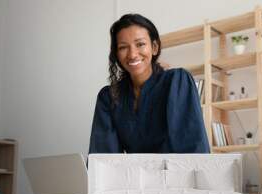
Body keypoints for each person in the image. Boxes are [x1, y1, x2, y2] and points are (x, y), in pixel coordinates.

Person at [88, 14, 210, 154]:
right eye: (123, 47)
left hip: (174, 174)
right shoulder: (108, 97)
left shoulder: (177, 82)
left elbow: (193, 151)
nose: (132, 54)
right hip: (131, 175)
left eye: (140, 44)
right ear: (116, 54)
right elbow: (104, 158)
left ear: (154, 47)